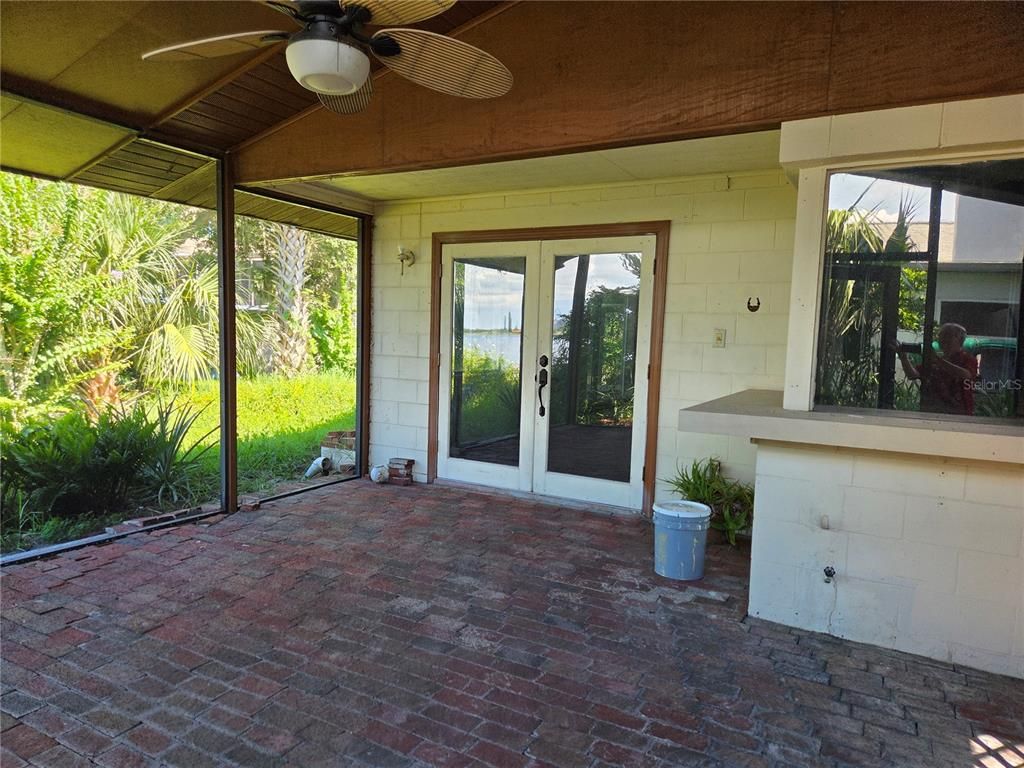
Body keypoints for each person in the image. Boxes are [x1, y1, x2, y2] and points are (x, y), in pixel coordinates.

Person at [891, 323, 979, 415]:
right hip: (932, 411)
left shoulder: (968, 359)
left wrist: (937, 360)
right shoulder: (935, 359)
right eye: (941, 336)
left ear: (958, 339)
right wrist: (904, 358)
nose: (942, 340)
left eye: (947, 336)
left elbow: (966, 375)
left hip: (958, 414)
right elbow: (913, 375)